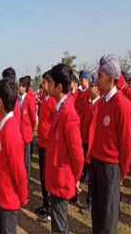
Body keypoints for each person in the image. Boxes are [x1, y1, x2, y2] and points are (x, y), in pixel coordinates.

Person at [88, 55, 131, 233]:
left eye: (99, 76)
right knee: (97, 214)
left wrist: (120, 173)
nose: (96, 80)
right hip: (96, 163)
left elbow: (126, 143)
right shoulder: (103, 102)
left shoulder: (122, 104)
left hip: (110, 167)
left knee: (108, 216)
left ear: (111, 78)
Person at [45, 63, 84, 233]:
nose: (47, 86)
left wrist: (75, 178)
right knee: (58, 222)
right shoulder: (60, 108)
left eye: (50, 83)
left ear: (59, 87)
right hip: (56, 175)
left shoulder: (68, 114)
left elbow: (77, 154)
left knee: (59, 226)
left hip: (62, 178)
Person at [0, 78, 28, 234]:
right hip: (2, 194)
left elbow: (19, 169)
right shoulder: (5, 125)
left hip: (9, 198)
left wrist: (23, 196)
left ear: (0, 101)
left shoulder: (11, 132)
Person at [35, 71, 56, 223]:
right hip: (41, 142)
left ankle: (50, 210)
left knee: (48, 177)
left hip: (48, 145)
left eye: (44, 83)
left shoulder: (53, 102)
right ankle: (45, 204)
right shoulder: (44, 99)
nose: (42, 85)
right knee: (42, 176)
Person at [79, 74, 101, 215]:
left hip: (93, 146)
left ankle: (91, 203)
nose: (90, 88)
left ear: (98, 89)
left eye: (92, 86)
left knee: (93, 178)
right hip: (85, 141)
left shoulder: (99, 105)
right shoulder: (89, 103)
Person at [18, 76, 36, 187]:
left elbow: (33, 118)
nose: (19, 87)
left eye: (21, 86)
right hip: (19, 133)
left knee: (26, 160)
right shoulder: (18, 99)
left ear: (25, 88)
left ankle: (26, 180)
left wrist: (29, 128)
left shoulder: (29, 99)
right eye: (19, 85)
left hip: (26, 133)